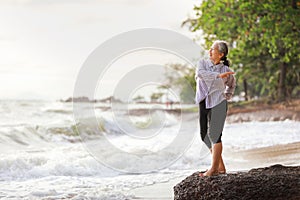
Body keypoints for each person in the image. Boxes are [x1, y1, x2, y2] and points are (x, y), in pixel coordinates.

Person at [195, 40, 236, 176]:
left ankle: (213, 169)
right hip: (203, 101)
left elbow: (231, 84)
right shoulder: (203, 63)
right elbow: (200, 74)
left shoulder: (227, 70)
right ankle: (221, 167)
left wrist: (227, 95)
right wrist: (218, 76)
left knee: (215, 135)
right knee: (203, 135)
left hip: (219, 102)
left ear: (221, 54)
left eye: (212, 49)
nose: (210, 51)